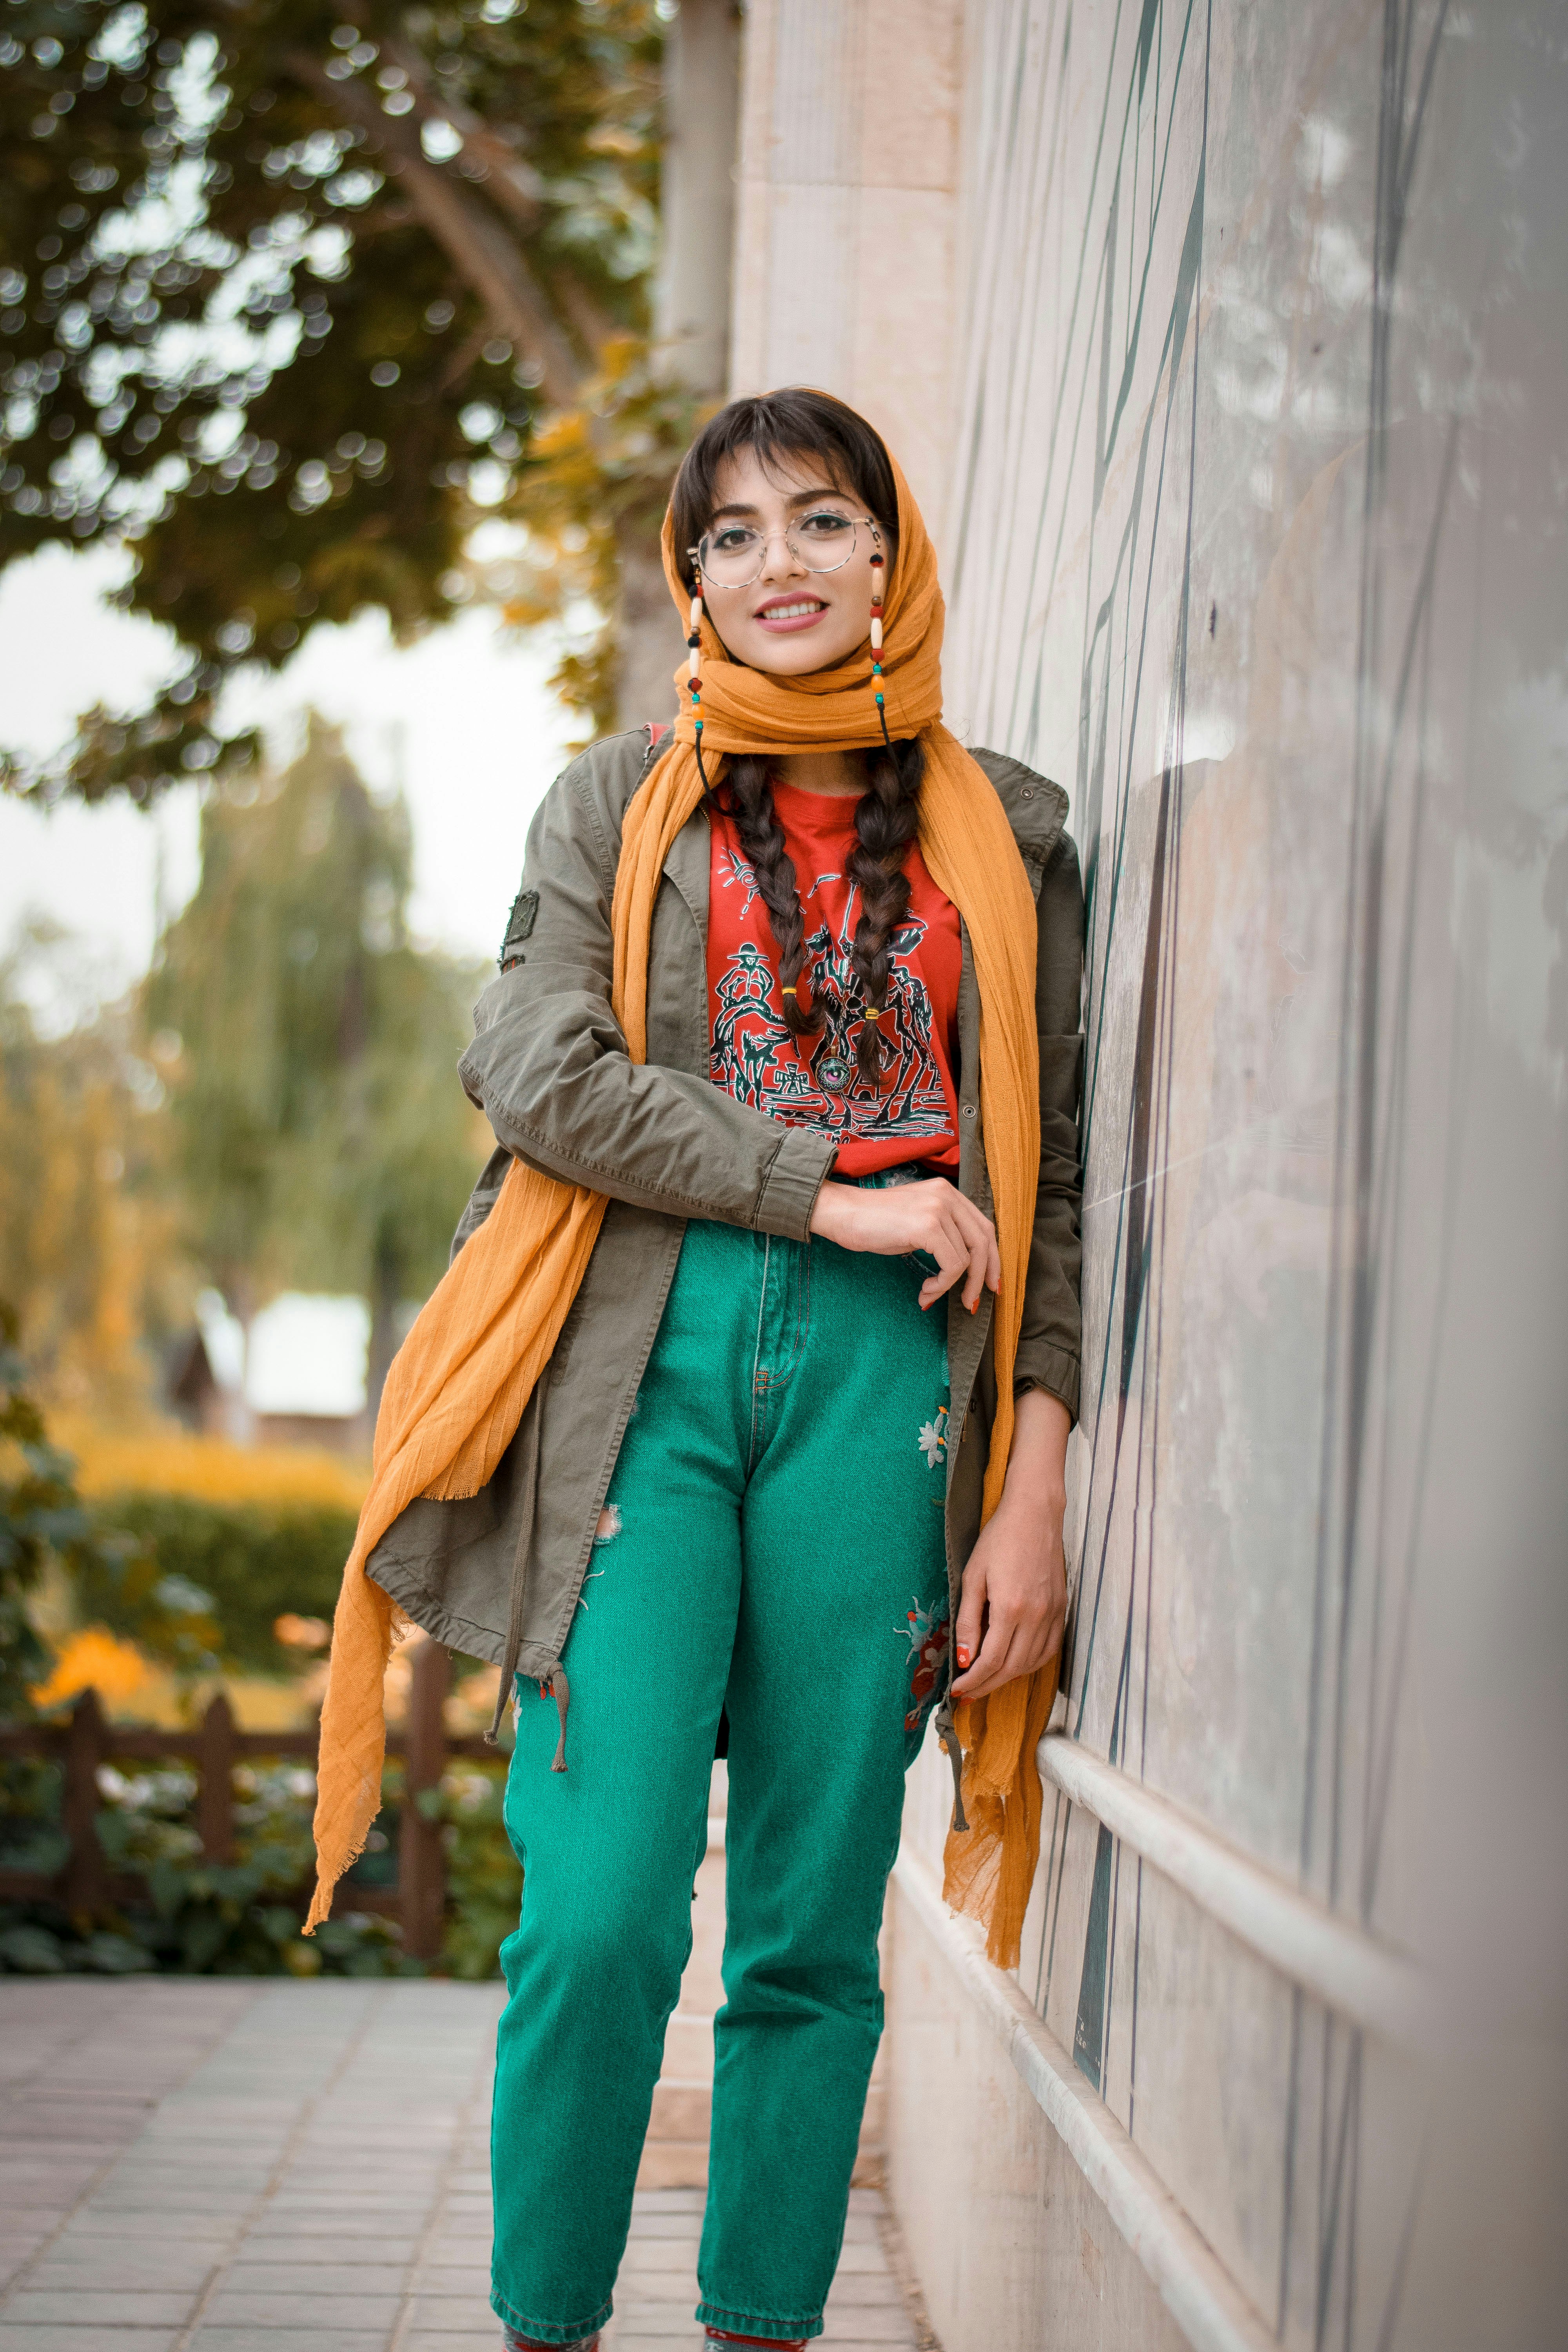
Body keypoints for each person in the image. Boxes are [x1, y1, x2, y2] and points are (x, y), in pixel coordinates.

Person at [307, 388, 1083, 2352]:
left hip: (886, 1404)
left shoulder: (1016, 833)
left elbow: (1057, 1197)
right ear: (690, 582)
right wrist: (826, 1193)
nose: (777, 567)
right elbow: (535, 1073)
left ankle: (761, 2329)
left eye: (821, 523)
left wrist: (1036, 1485)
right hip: (632, 1386)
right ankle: (544, 2326)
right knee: (598, 1909)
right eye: (729, 536)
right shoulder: (614, 803)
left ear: (891, 556)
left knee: (814, 1934)